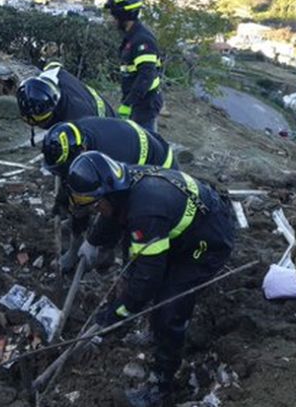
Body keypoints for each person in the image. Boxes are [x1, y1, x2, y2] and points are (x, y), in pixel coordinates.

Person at [66, 151, 235, 406]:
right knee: (141, 273)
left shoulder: (146, 210)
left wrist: (116, 314)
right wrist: (93, 240)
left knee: (170, 304)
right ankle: (151, 331)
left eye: (96, 204)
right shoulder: (123, 181)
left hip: (208, 239)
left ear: (109, 193)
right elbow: (112, 215)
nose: (96, 209)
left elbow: (147, 280)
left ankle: (162, 384)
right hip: (179, 225)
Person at [41, 117, 177, 270]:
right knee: (91, 200)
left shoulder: (108, 163)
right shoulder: (75, 135)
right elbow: (70, 181)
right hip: (133, 147)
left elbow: (115, 210)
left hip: (159, 167)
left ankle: (106, 255)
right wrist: (62, 205)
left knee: (127, 218)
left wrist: (93, 242)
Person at [104, 0, 164, 132]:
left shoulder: (142, 40)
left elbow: (146, 75)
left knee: (145, 141)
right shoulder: (131, 37)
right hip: (138, 101)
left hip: (145, 104)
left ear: (122, 15)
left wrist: (128, 103)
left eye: (113, 15)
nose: (111, 19)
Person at [16, 61, 114, 131]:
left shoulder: (76, 121)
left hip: (108, 127)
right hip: (92, 105)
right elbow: (53, 64)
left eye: (41, 122)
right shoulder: (53, 75)